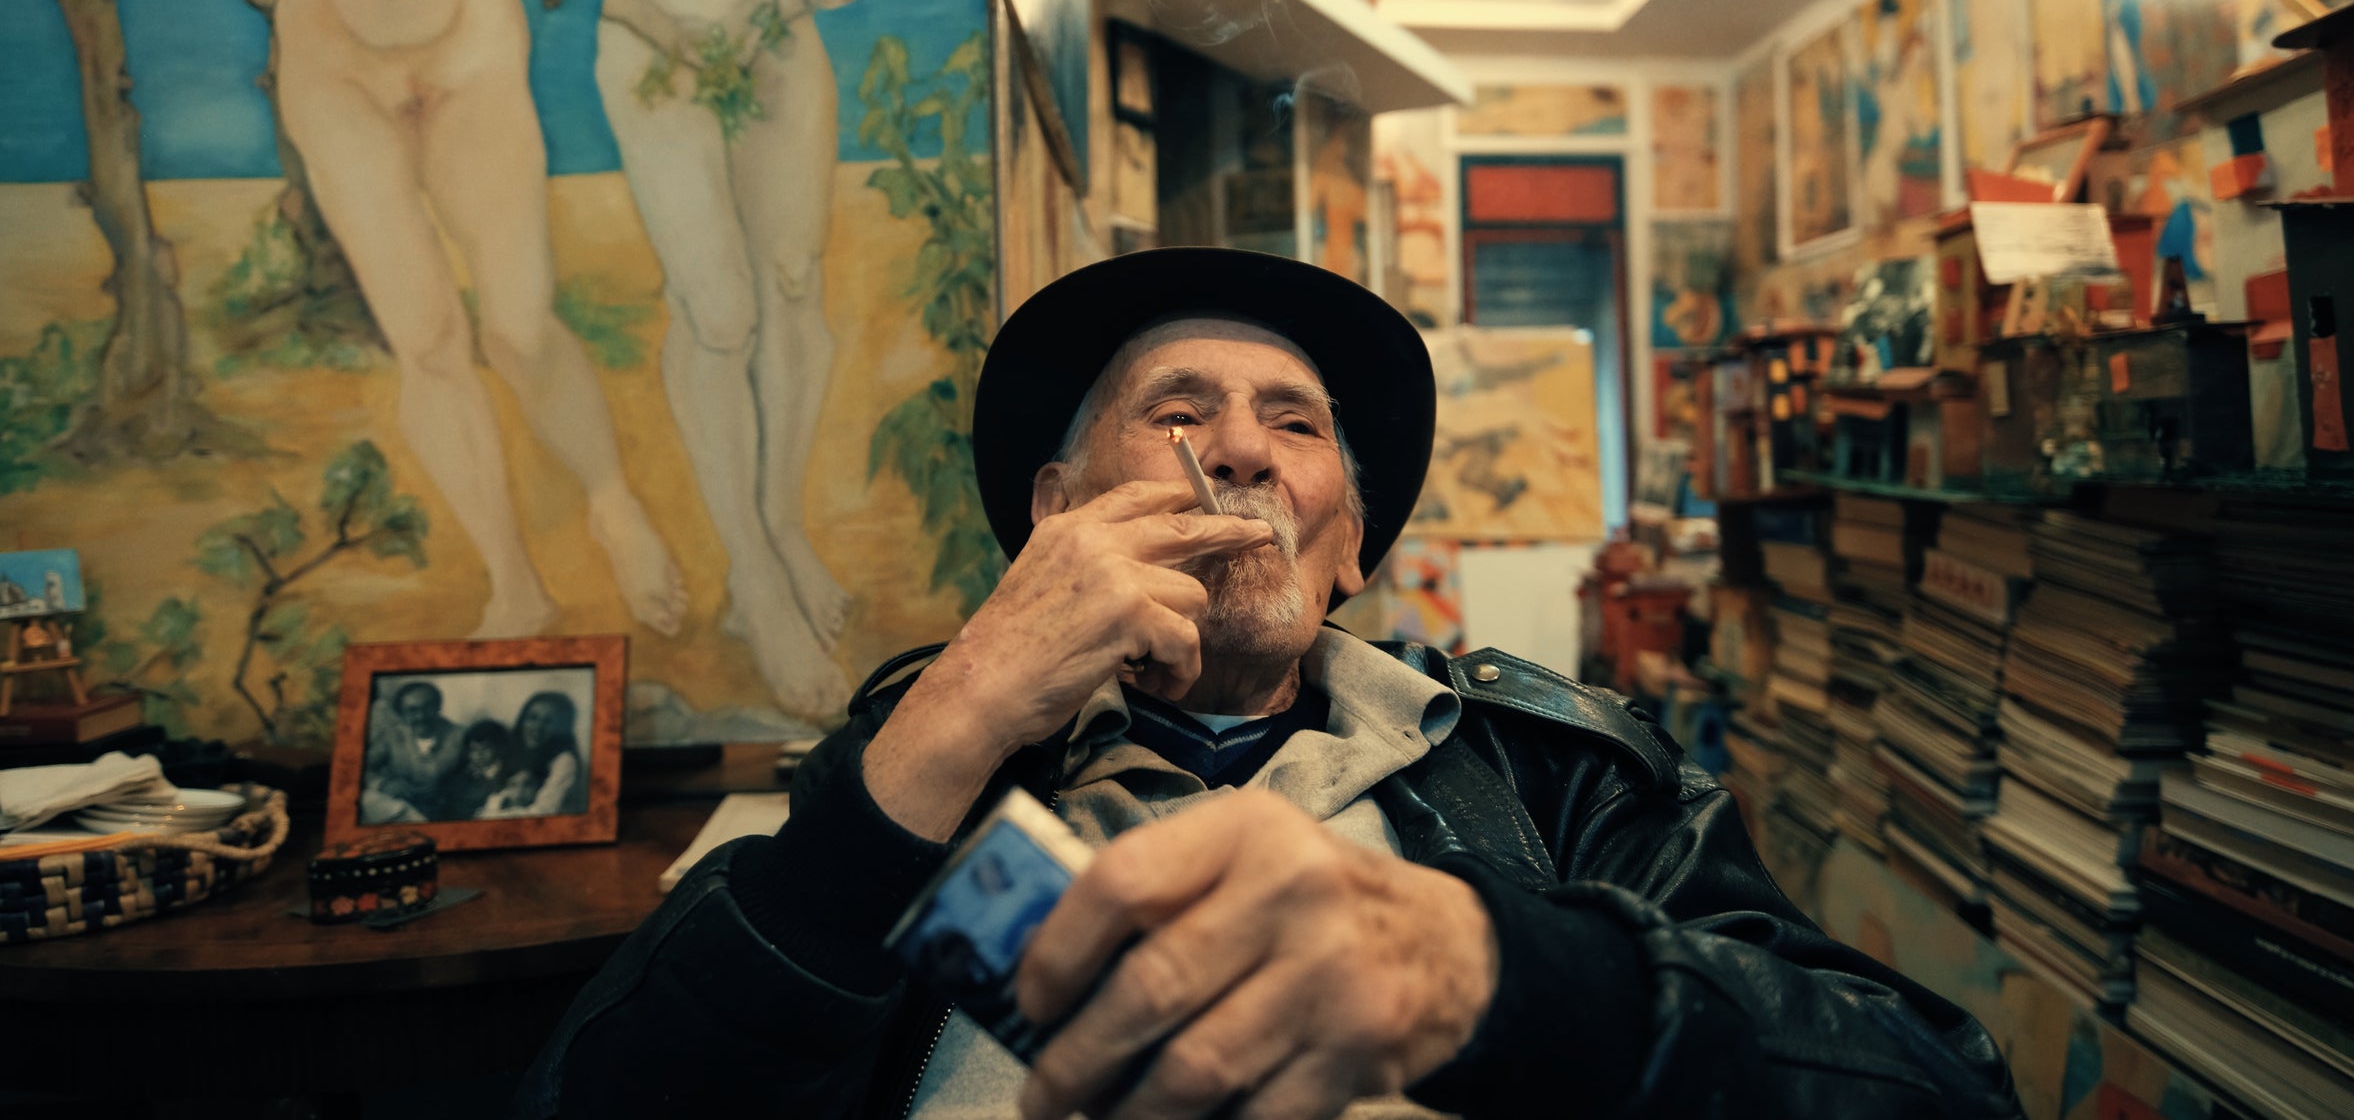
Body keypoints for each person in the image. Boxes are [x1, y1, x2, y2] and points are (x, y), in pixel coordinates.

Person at [518, 248, 2022, 1119]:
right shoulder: (915, 763)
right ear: (1056, 514)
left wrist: (1491, 969)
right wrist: (957, 709)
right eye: (1177, 412)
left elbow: (1937, 1088)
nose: (1237, 450)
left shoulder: (1562, 773)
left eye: (1293, 425)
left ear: (1348, 543)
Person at [98, 0, 687, 645]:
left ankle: (614, 508)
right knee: (429, 343)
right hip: (335, 59)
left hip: (469, 48)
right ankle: (513, 585)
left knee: (519, 328)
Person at [572, 0, 968, 715]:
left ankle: (782, 525)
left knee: (793, 285)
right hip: (646, 38)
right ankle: (751, 571)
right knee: (716, 314)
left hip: (777, 29)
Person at [361, 681, 461, 825]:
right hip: (401, 812)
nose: (421, 716)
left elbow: (478, 774)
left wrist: (448, 788)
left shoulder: (460, 736)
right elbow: (360, 768)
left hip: (447, 814)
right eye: (412, 710)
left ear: (438, 706)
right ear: (402, 714)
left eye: (427, 707)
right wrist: (384, 784)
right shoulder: (392, 736)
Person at [483, 691, 586, 818]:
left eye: (548, 721)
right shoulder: (518, 752)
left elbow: (542, 812)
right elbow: (496, 794)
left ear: (561, 728)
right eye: (532, 718)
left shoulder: (564, 761)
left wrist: (489, 816)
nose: (537, 727)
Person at [440, 720, 514, 822]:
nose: (479, 754)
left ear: (498, 747)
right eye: (474, 749)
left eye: (485, 748)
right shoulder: (461, 776)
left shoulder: (508, 775)